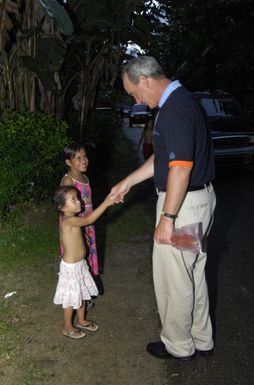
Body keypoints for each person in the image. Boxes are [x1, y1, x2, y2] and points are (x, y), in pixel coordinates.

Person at [111, 56, 216, 360]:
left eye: (134, 93)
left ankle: (178, 345)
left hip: (182, 206)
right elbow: (164, 159)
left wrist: (167, 218)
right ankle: (201, 338)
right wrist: (127, 182)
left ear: (144, 79)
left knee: (174, 277)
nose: (137, 100)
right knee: (192, 271)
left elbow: (180, 169)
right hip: (195, 202)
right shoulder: (182, 102)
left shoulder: (174, 110)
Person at [53, 185, 114, 339]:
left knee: (81, 293)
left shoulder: (71, 220)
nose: (79, 201)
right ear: (62, 206)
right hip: (71, 267)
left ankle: (81, 320)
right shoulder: (68, 220)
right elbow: (89, 219)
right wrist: (106, 202)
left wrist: (82, 238)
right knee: (71, 297)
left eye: (78, 197)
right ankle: (67, 326)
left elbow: (74, 233)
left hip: (80, 264)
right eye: (74, 199)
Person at [60, 143, 101, 309]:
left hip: (87, 224)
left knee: (87, 259)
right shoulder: (68, 180)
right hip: (75, 227)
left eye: (85, 157)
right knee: (77, 260)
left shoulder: (85, 178)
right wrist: (78, 229)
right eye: (78, 158)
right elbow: (64, 209)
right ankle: (74, 295)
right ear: (69, 162)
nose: (84, 161)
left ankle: (84, 293)